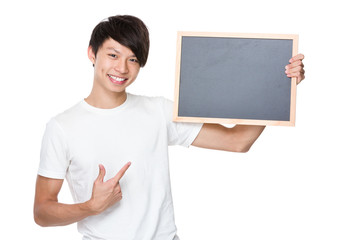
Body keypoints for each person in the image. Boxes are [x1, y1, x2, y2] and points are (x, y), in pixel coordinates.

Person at [34, 15, 305, 240]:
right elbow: (42, 212)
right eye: (113, 55)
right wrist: (91, 207)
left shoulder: (159, 111)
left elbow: (237, 141)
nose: (122, 68)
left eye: (133, 59)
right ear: (92, 53)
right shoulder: (62, 127)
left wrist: (280, 86)